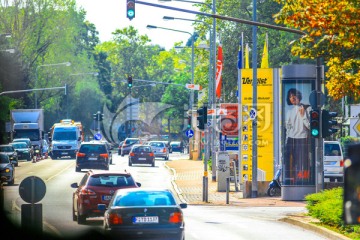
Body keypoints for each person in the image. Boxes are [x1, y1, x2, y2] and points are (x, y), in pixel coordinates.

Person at [284, 88, 311, 184]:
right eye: (290, 96)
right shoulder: (289, 112)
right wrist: (287, 139)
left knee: (301, 162)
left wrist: (303, 116)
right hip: (291, 139)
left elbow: (309, 126)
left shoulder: (307, 108)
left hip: (302, 138)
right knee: (290, 162)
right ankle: (289, 180)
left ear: (298, 96)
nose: (292, 98)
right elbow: (288, 127)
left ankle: (301, 181)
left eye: (293, 95)